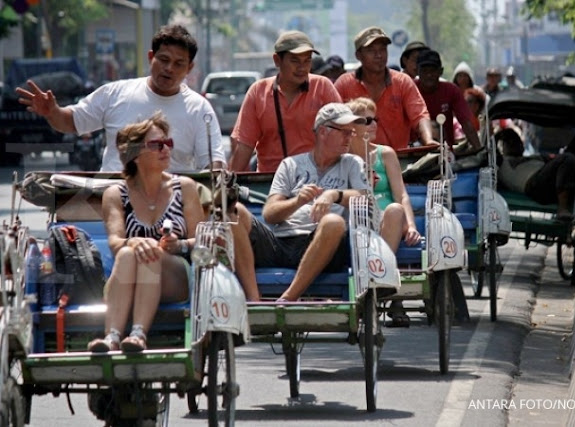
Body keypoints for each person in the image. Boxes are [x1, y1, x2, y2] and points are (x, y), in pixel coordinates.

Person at [16, 24, 226, 172]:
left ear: (189, 68)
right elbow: (71, 121)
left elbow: (213, 163)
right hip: (110, 200)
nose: (169, 69)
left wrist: (219, 179)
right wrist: (52, 112)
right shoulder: (115, 93)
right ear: (151, 58)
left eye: (178, 64)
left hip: (172, 211)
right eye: (163, 59)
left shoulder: (200, 109)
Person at [88, 113, 209, 352]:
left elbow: (201, 238)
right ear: (134, 154)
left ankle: (138, 334)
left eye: (168, 143)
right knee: (125, 253)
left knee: (149, 251)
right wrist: (133, 241)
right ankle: (112, 337)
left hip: (175, 275)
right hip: (128, 274)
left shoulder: (184, 187)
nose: (166, 149)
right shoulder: (116, 193)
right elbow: (115, 241)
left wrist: (181, 244)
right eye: (156, 145)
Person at [230, 103, 368, 301]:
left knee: (333, 222)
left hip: (322, 245)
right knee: (235, 212)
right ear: (323, 131)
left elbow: (365, 199)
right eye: (344, 131)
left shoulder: (352, 163)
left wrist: (333, 195)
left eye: (351, 132)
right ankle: (254, 300)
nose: (349, 137)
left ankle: (287, 299)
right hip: (281, 241)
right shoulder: (291, 164)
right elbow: (270, 213)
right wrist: (298, 201)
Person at [347, 97, 421, 327]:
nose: (373, 125)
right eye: (366, 120)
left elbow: (402, 194)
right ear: (352, 127)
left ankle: (381, 278)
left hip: (387, 222)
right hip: (358, 221)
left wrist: (411, 225)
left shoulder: (385, 154)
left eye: (374, 119)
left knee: (395, 209)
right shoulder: (344, 158)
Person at [229, 30, 342, 173]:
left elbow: (344, 134)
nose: (302, 67)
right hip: (270, 181)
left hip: (317, 179)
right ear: (277, 60)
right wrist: (229, 187)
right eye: (295, 61)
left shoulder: (322, 87)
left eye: (307, 60)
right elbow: (245, 145)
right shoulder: (258, 91)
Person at [334, 26, 437, 151]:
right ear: (358, 55)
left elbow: (420, 115)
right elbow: (333, 121)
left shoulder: (402, 82)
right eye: (371, 50)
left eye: (383, 49)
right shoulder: (344, 84)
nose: (379, 55)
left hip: (398, 159)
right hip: (356, 160)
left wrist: (428, 140)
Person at [497, 127, 575, 221]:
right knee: (567, 158)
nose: (514, 144)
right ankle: (562, 208)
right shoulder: (502, 161)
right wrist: (497, 136)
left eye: (516, 140)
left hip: (553, 178)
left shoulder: (534, 157)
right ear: (503, 147)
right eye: (509, 142)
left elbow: (555, 159)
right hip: (534, 185)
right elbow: (490, 149)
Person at [415, 49, 482, 151]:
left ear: (440, 71)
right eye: (424, 71)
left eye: (433, 70)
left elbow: (466, 123)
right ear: (417, 71)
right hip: (415, 152)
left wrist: (479, 150)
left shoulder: (452, 90)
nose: (429, 75)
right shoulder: (409, 89)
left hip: (447, 153)